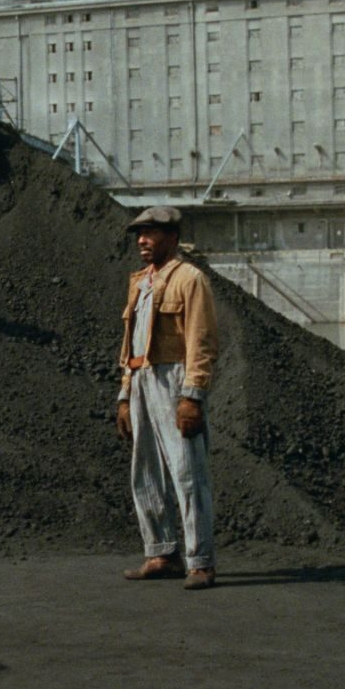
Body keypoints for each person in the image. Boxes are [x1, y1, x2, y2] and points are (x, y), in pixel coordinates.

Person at [114, 206, 220, 590]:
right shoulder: (140, 282)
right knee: (146, 472)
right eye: (139, 233)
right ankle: (161, 552)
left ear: (172, 237)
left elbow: (201, 341)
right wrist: (125, 395)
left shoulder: (190, 279)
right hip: (142, 378)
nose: (142, 240)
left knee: (188, 473)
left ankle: (200, 562)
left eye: (151, 233)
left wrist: (192, 395)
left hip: (173, 379)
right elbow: (131, 345)